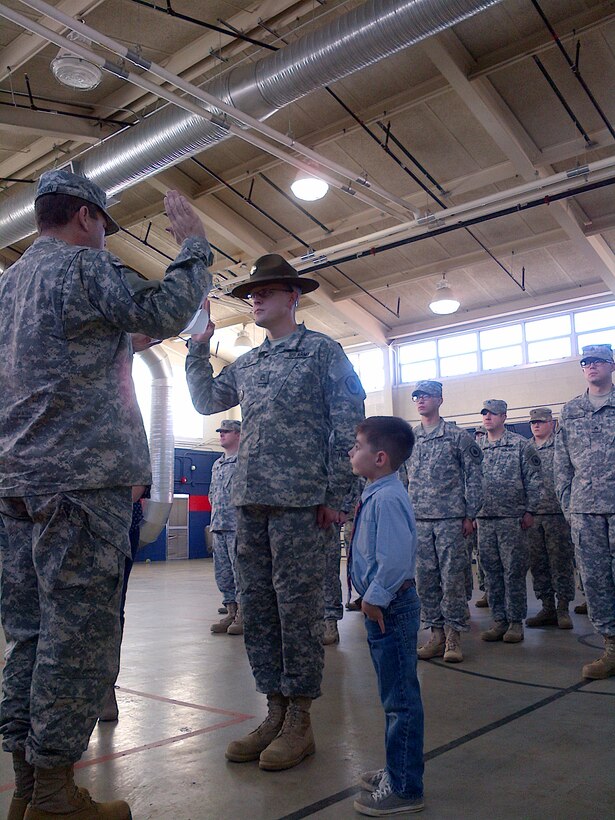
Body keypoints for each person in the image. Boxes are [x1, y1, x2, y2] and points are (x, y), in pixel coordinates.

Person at [0, 169, 212, 820]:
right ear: (87, 218)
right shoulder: (81, 266)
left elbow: (91, 344)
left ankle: (28, 789)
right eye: (104, 227)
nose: (103, 238)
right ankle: (58, 798)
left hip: (17, 487)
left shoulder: (8, 286)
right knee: (79, 636)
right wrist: (194, 245)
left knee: (30, 636)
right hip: (82, 485)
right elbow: (161, 309)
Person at [185, 254, 365, 771]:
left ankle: (300, 720)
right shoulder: (248, 364)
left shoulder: (322, 353)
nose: (255, 299)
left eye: (265, 291)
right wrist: (198, 348)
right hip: (250, 504)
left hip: (302, 505)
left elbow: (346, 423)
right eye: (251, 294)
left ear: (293, 296)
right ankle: (274, 710)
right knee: (259, 611)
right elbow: (203, 402)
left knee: (298, 612)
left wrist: (337, 497)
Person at [348, 416, 424, 817]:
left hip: (390, 608)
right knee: (392, 697)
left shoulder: (389, 497)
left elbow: (393, 560)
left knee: (401, 701)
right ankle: (398, 770)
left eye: (357, 446)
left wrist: (374, 598)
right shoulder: (377, 491)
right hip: (383, 607)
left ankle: (407, 787)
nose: (351, 452)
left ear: (379, 457)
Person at [408, 381, 483, 664]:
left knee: (451, 578)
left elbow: (474, 477)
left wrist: (470, 514)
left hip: (451, 519)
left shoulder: (457, 437)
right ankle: (435, 633)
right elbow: (404, 479)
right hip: (419, 519)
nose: (420, 400)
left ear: (440, 400)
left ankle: (453, 636)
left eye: (426, 395)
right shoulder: (411, 438)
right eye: (416, 396)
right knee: (425, 580)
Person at [554, 343, 615, 679]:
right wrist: (568, 505)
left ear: (611, 365)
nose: (591, 366)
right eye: (585, 362)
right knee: (594, 581)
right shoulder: (572, 410)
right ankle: (611, 649)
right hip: (585, 511)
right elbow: (561, 463)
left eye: (598, 361)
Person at [476, 399, 542, 644]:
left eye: (492, 414)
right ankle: (499, 620)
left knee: (513, 572)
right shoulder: (478, 448)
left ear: (504, 416)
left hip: (512, 519)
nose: (487, 417)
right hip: (485, 519)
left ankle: (515, 622)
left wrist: (530, 510)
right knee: (491, 573)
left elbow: (535, 480)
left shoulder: (520, 445)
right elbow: (470, 482)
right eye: (484, 413)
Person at [525, 407, 575, 630]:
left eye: (541, 422)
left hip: (557, 514)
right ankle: (547, 607)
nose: (536, 425)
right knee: (538, 564)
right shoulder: (526, 448)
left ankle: (563, 608)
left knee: (560, 562)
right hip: (533, 516)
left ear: (552, 423)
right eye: (533, 422)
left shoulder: (561, 446)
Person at [209, 419, 243, 635]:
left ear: (239, 434)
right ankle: (231, 611)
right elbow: (212, 493)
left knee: (240, 572)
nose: (221, 435)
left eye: (226, 432)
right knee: (223, 574)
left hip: (237, 526)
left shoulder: (244, 461)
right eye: (220, 431)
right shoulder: (217, 464)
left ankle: (243, 615)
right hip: (219, 525)